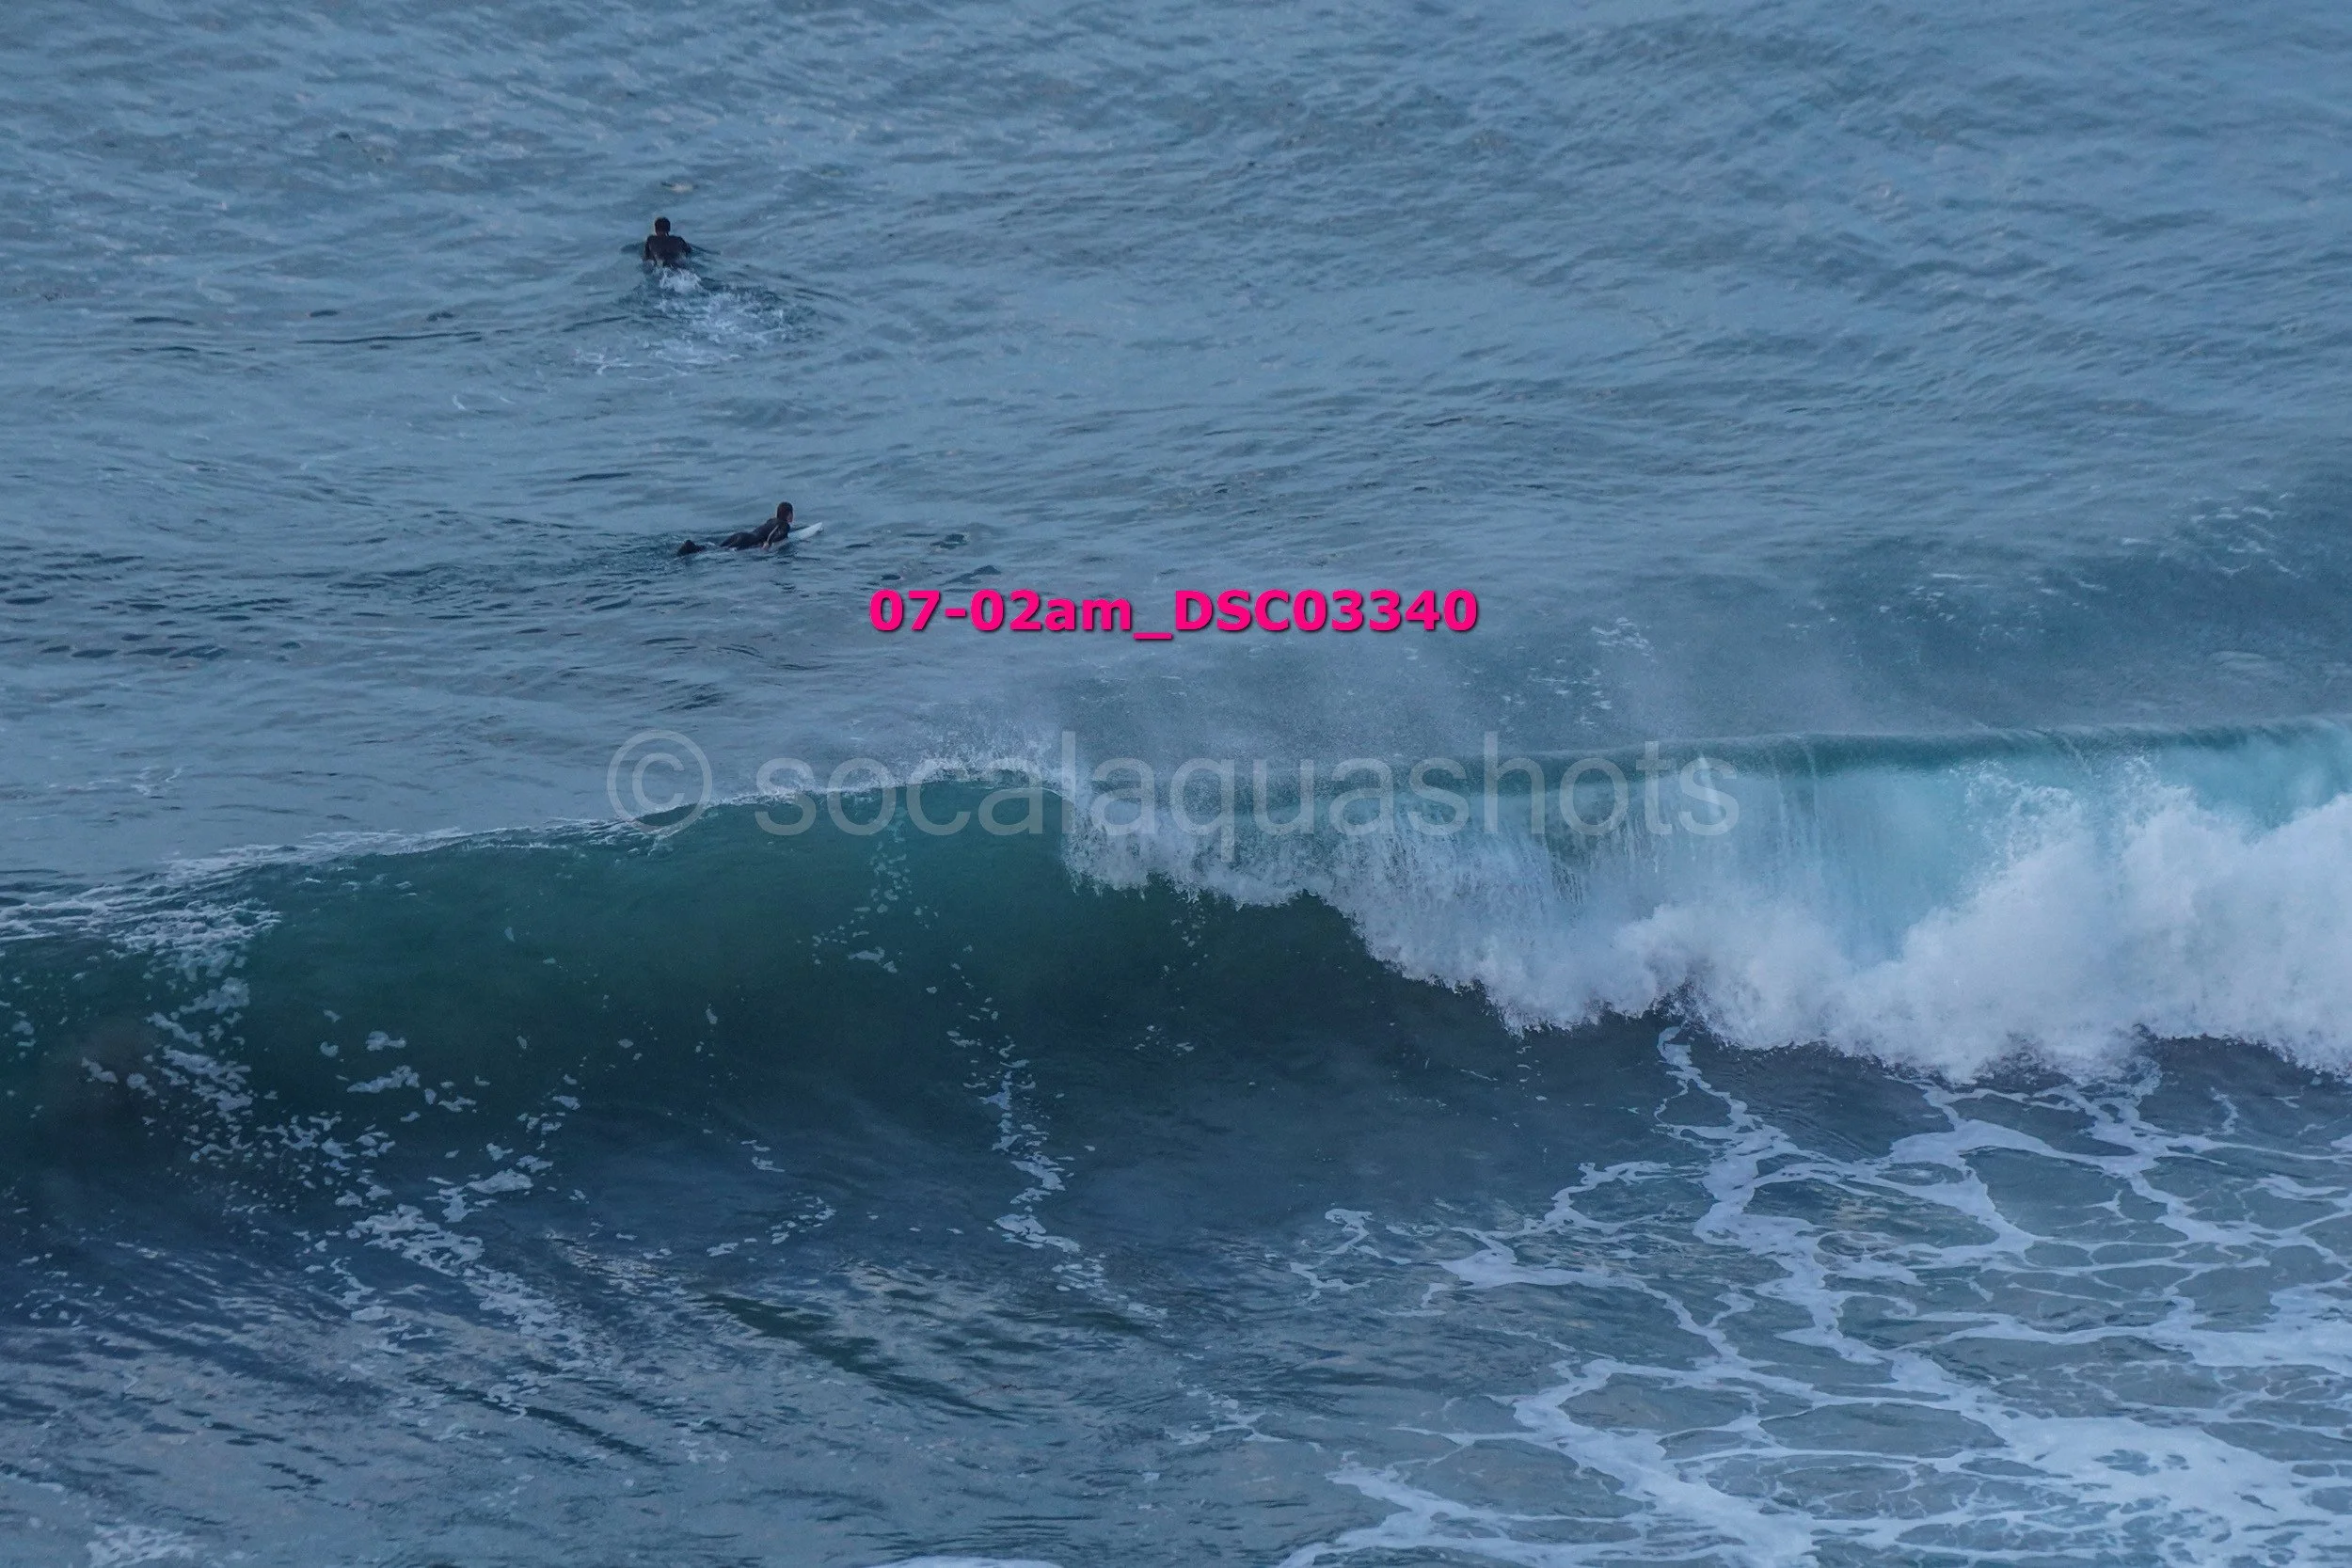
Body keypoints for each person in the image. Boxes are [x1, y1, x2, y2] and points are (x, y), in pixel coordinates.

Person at [677, 502, 792, 556]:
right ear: (789, 514)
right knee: (721, 551)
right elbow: (776, 533)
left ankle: (692, 547)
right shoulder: (784, 525)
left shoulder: (771, 520)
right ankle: (691, 548)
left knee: (718, 548)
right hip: (748, 540)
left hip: (742, 535)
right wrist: (768, 544)